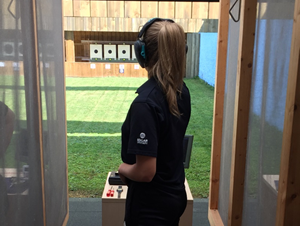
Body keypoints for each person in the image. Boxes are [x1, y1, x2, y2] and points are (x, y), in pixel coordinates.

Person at [118, 18, 191, 226]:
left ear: (142, 53)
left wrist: (123, 169)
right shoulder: (181, 92)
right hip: (173, 195)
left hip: (150, 208)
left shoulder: (145, 104)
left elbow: (145, 171)